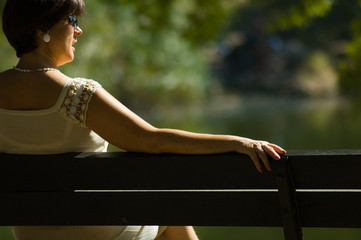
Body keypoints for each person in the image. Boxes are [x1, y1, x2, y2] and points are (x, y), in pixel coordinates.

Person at [0, 0, 286, 240]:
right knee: (170, 208)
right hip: (92, 229)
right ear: (42, 30)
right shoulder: (76, 95)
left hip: (30, 230)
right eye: (71, 20)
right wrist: (237, 141)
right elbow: (151, 141)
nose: (79, 30)